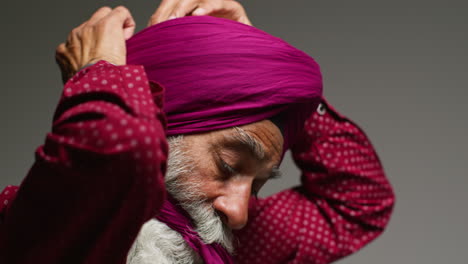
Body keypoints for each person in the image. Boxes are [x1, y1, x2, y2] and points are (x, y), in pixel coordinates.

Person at [0, 1, 395, 264]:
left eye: (256, 185)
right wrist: (98, 73)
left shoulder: (216, 237)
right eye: (228, 165)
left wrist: (275, 85)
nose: (239, 213)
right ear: (163, 125)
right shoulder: (51, 222)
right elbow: (125, 154)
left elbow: (357, 205)